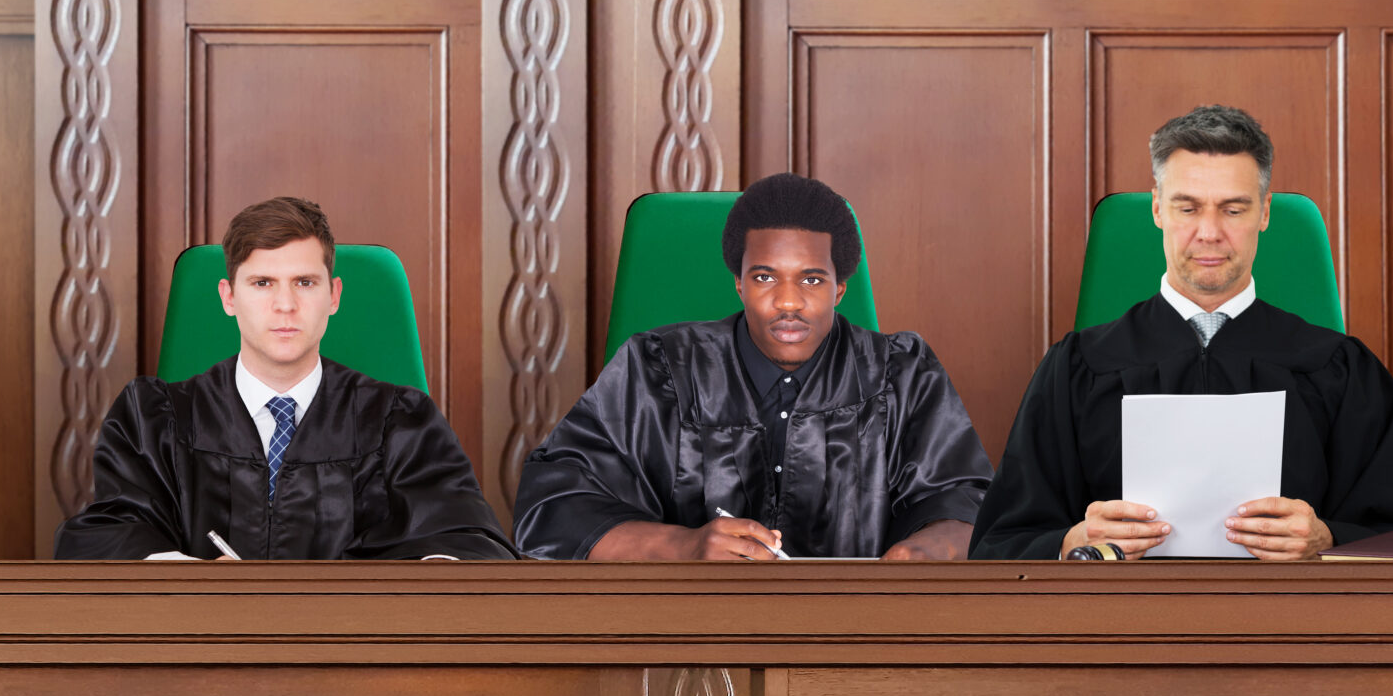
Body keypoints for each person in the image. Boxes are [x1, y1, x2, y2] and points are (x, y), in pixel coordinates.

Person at [970, 105, 1393, 560]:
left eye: (1233, 209)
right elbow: (999, 545)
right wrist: (1070, 544)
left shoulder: (1341, 370)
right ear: (1157, 210)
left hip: (1289, 629)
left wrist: (1328, 540)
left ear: (1265, 213)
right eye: (1187, 207)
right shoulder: (1077, 368)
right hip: (1120, 630)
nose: (1208, 233)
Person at [517, 172, 991, 560]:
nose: (788, 301)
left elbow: (967, 504)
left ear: (839, 290)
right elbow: (554, 505)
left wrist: (925, 557)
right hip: (687, 647)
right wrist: (683, 547)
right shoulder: (658, 369)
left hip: (857, 645)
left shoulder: (901, 375)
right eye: (765, 277)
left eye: (811, 279)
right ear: (739, 284)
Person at [55, 197, 514, 560]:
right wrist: (189, 579)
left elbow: (469, 539)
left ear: (333, 295)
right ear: (228, 297)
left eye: (304, 282)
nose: (285, 306)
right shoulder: (154, 419)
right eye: (262, 283)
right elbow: (107, 535)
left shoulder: (402, 422)